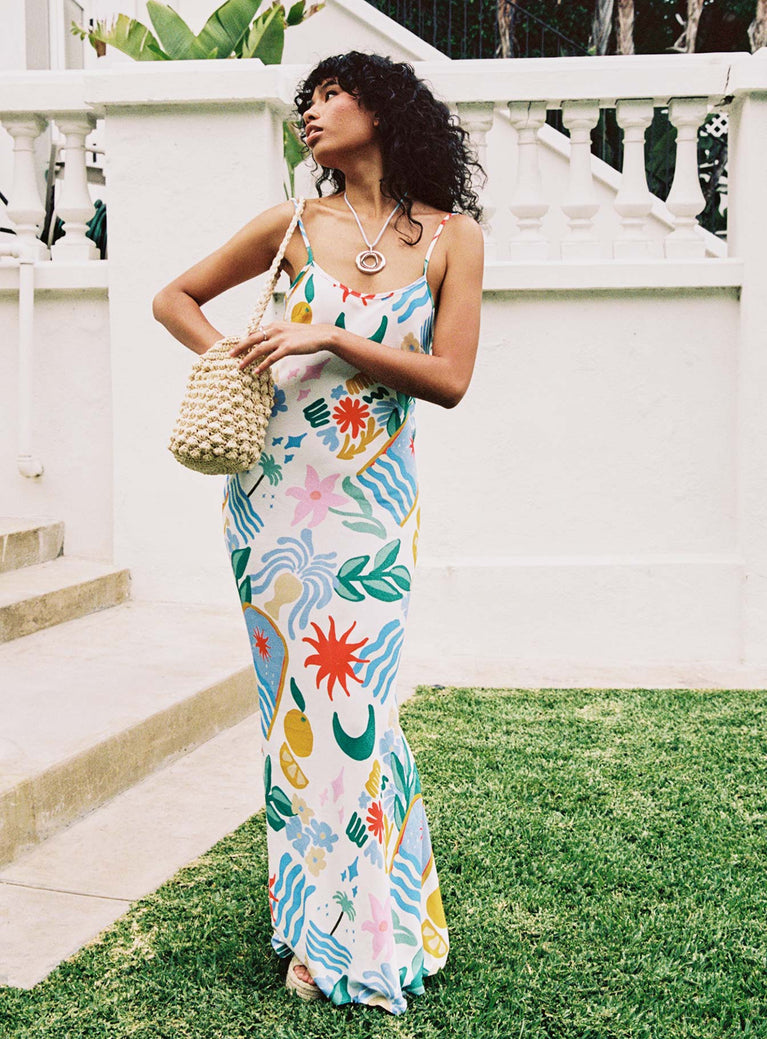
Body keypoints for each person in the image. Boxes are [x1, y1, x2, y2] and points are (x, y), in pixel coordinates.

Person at [152, 50, 484, 1016]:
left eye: (332, 94)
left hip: (371, 506)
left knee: (359, 712)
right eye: (308, 99)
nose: (312, 111)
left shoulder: (452, 238)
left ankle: (374, 922)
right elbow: (173, 297)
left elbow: (450, 379)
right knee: (297, 713)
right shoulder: (291, 224)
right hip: (272, 499)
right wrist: (241, 358)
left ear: (384, 110)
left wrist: (331, 336)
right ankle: (318, 927)